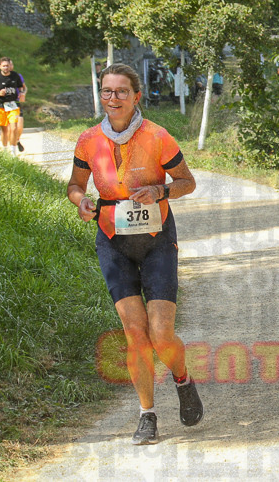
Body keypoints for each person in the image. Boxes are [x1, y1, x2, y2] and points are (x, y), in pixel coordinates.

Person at [66, 63, 203, 445]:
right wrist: (81, 201)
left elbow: (187, 182)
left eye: (121, 91)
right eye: (107, 91)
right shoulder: (88, 140)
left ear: (136, 96)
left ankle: (182, 379)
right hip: (113, 241)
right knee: (134, 332)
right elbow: (75, 185)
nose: (113, 98)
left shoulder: (157, 136)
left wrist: (160, 191)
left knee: (161, 333)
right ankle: (147, 415)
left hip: (157, 238)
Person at [0, 57, 26, 155]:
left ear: (10, 66)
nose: (6, 68)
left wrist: (21, 93)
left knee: (14, 128)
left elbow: (21, 86)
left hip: (13, 105)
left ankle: (13, 152)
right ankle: (4, 151)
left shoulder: (15, 75)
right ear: (0, 66)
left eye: (7, 66)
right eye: (3, 66)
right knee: (4, 130)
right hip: (0, 105)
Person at [9, 59, 26, 153]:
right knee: (10, 127)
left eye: (11, 64)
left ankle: (17, 139)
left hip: (16, 102)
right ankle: (12, 149)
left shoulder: (18, 76)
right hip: (5, 103)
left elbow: (24, 87)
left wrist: (23, 93)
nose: (10, 66)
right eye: (8, 64)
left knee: (19, 126)